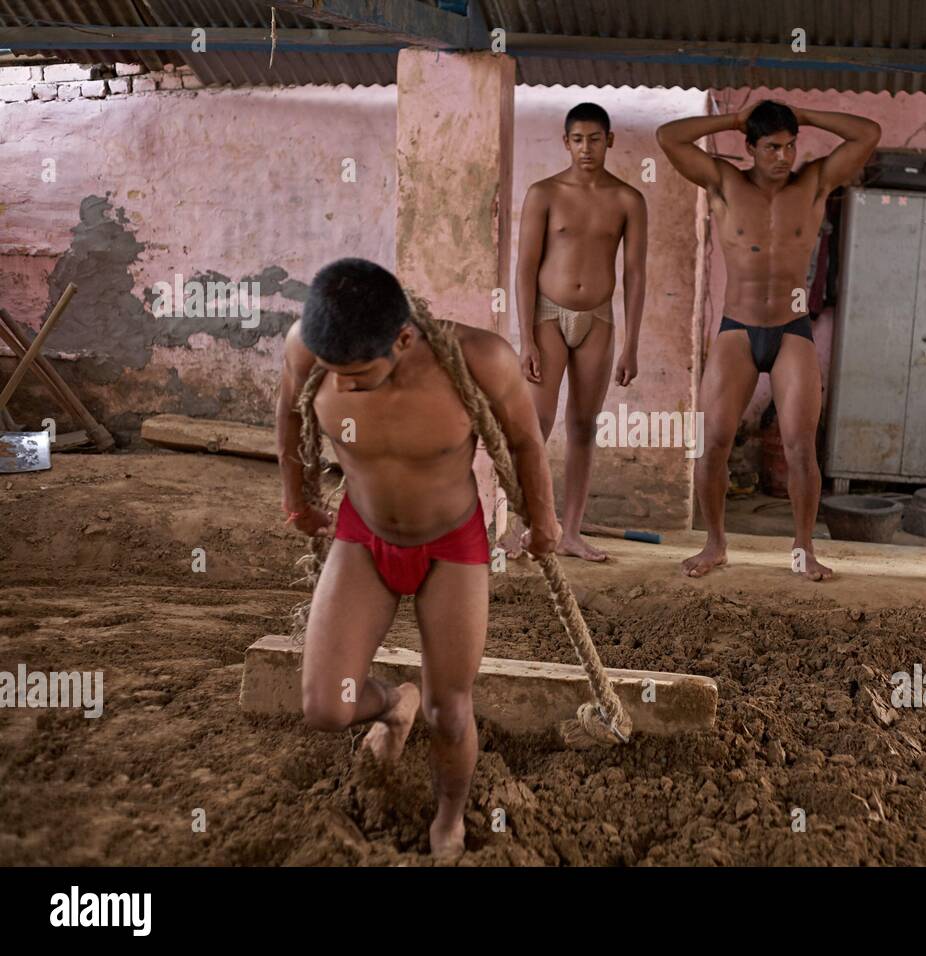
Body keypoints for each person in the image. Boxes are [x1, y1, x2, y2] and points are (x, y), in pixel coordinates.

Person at [276, 258, 561, 861]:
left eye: (359, 375)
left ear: (403, 340)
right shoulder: (309, 346)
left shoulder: (479, 359)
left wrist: (544, 521)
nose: (344, 387)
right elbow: (289, 413)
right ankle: (391, 704)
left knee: (450, 712)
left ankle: (448, 820)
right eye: (334, 374)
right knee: (326, 707)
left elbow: (525, 440)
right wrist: (295, 497)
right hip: (364, 537)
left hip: (450, 546)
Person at [657, 99, 881, 580]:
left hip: (792, 329)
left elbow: (868, 134)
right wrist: (734, 118)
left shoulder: (815, 181)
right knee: (713, 441)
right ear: (751, 148)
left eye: (789, 145)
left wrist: (810, 113)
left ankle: (803, 549)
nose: (783, 156)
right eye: (771, 147)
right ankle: (715, 544)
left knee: (801, 445)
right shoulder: (724, 182)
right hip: (737, 330)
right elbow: (669, 137)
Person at [514, 102, 647, 562]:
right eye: (577, 139)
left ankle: (569, 533)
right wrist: (526, 337)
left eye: (594, 139)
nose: (586, 148)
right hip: (548, 315)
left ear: (610, 141)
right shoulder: (543, 193)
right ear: (565, 142)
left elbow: (634, 274)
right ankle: (522, 528)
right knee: (537, 424)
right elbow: (525, 268)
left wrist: (632, 344)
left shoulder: (629, 199)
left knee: (584, 426)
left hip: (600, 319)